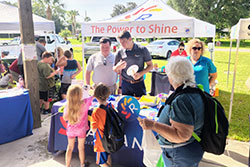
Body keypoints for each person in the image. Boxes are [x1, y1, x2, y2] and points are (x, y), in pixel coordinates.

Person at [139, 56, 205, 167]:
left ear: (172, 76)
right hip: (189, 149)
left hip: (179, 154)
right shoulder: (194, 89)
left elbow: (182, 135)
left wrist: (153, 125)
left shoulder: (182, 99)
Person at [113, 30, 153, 97]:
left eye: (124, 42)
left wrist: (140, 74)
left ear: (130, 39)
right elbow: (114, 68)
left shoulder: (142, 49)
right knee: (126, 105)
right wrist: (117, 67)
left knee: (141, 105)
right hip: (125, 84)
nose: (122, 44)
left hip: (139, 83)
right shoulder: (120, 52)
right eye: (120, 42)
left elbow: (150, 66)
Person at [63, 84, 93, 167]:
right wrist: (92, 88)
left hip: (71, 129)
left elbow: (65, 118)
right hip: (81, 130)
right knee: (81, 148)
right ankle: (82, 164)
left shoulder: (68, 105)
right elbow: (93, 97)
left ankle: (67, 165)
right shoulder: (85, 102)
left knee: (69, 148)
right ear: (80, 94)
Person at [91, 83, 112, 167]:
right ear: (108, 95)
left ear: (95, 96)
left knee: (102, 162)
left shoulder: (96, 111)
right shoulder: (111, 106)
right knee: (108, 156)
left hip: (101, 141)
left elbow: (94, 129)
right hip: (110, 139)